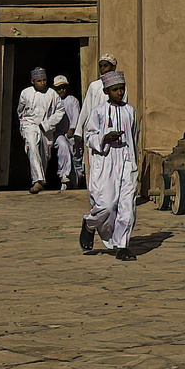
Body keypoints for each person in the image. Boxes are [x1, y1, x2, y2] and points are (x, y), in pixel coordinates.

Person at [79, 71, 139, 260]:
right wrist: (104, 138)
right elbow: (89, 136)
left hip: (127, 163)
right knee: (105, 205)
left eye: (122, 89)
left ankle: (122, 246)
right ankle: (90, 224)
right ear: (106, 91)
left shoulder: (130, 111)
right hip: (105, 162)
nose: (119, 93)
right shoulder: (97, 112)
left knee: (127, 207)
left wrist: (133, 162)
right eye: (115, 90)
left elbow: (134, 137)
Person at [17, 67, 64, 194]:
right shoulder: (25, 93)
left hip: (46, 128)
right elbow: (20, 111)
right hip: (30, 125)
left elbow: (60, 110)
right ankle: (37, 180)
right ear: (33, 81)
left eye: (44, 80)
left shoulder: (52, 94)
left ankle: (41, 181)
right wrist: (24, 126)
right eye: (39, 80)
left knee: (44, 155)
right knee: (32, 148)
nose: (42, 83)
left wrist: (47, 124)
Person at [80, 55, 116, 183]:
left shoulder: (119, 87)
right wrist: (79, 131)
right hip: (95, 131)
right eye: (100, 66)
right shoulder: (94, 86)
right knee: (95, 166)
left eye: (105, 66)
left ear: (113, 67)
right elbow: (86, 109)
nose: (102, 69)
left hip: (111, 132)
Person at [53, 74, 82, 190]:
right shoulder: (53, 100)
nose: (62, 90)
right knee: (63, 146)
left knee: (75, 157)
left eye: (64, 87)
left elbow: (76, 116)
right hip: (58, 134)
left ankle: (75, 183)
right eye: (59, 88)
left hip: (71, 133)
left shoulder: (72, 100)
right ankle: (64, 175)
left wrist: (73, 128)